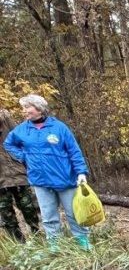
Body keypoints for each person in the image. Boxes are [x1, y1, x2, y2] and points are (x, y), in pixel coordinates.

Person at [2, 95, 92, 249]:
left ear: (38, 108)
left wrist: (81, 172)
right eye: (23, 108)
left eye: (27, 107)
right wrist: (23, 156)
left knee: (73, 214)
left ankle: (83, 242)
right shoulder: (22, 130)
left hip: (65, 179)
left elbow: (74, 151)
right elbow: (8, 143)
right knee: (49, 217)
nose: (24, 111)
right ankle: (55, 246)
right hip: (40, 181)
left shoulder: (59, 127)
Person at [0, 109, 41, 241]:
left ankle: (37, 237)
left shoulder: (5, 118)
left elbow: (22, 139)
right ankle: (19, 244)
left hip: (18, 173)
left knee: (29, 208)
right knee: (7, 216)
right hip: (1, 181)